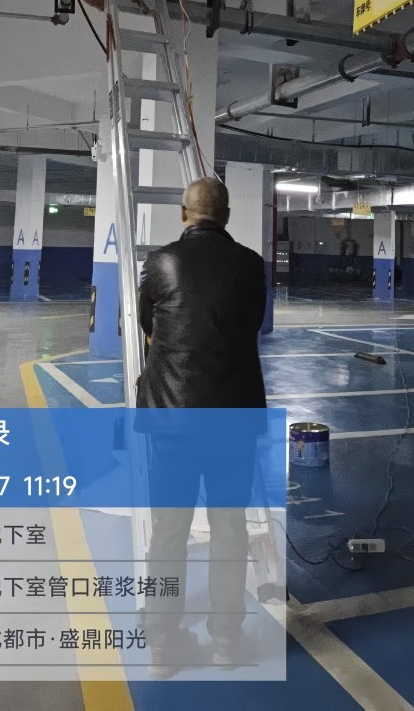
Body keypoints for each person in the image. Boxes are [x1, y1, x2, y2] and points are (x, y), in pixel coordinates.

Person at [136, 177, 267, 677]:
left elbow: (147, 325)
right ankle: (227, 642)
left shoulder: (161, 262)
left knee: (168, 531)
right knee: (229, 527)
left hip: (171, 421)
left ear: (183, 214)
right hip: (232, 418)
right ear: (226, 216)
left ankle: (163, 645)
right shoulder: (250, 264)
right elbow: (251, 325)